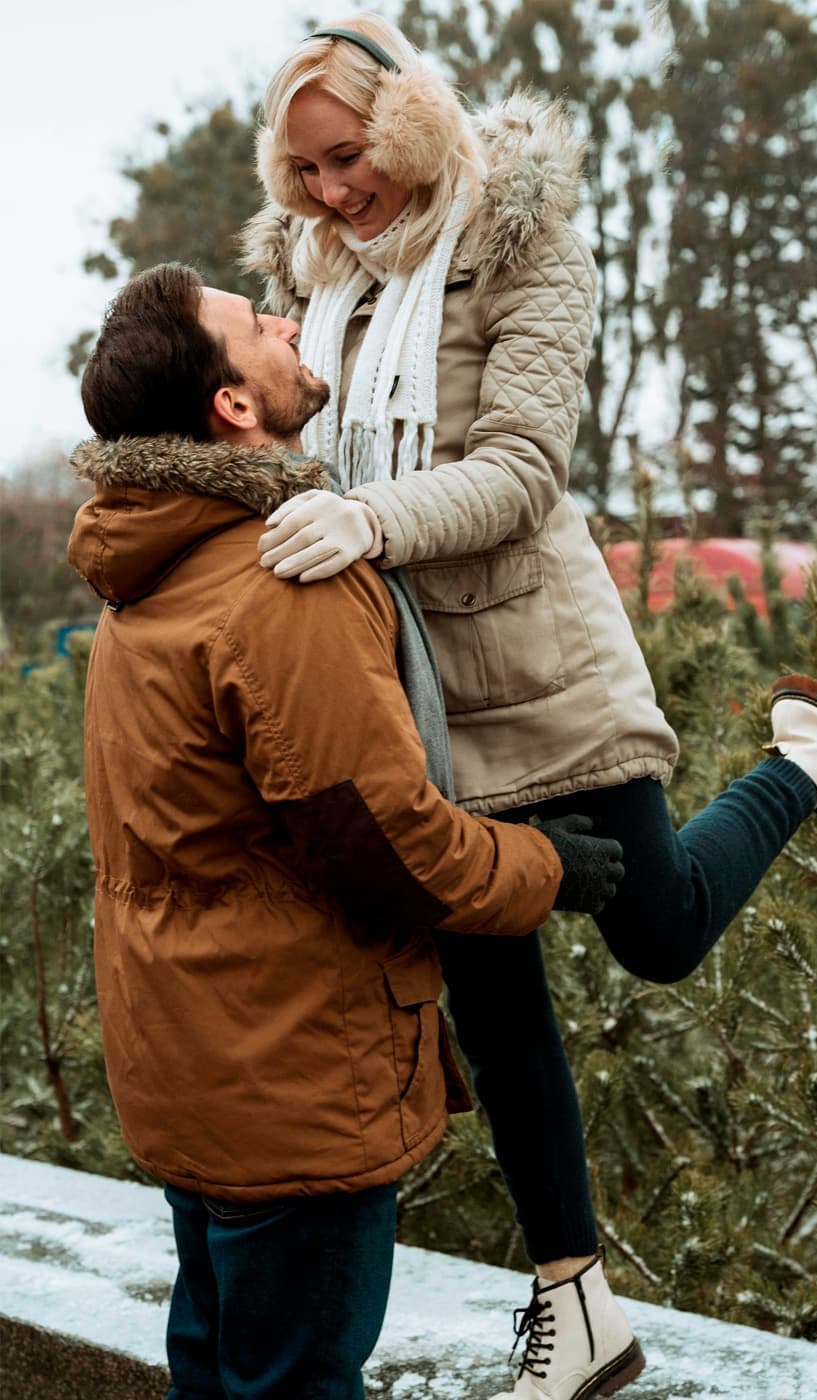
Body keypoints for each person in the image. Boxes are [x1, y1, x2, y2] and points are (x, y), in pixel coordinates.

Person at [240, 17, 817, 1399]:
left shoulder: (519, 235)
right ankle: (577, 1303)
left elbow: (525, 468)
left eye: (349, 158)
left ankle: (803, 758)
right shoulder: (326, 284)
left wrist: (363, 517)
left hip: (540, 657)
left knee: (658, 931)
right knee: (491, 982)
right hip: (412, 677)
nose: (332, 194)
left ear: (411, 122)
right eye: (304, 173)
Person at [66, 261, 627, 1400]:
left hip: (201, 1068)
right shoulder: (276, 584)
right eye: (252, 324)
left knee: (215, 1376)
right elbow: (384, 843)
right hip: (293, 1087)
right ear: (232, 404)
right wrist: (551, 863)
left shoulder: (149, 577)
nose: (284, 318)